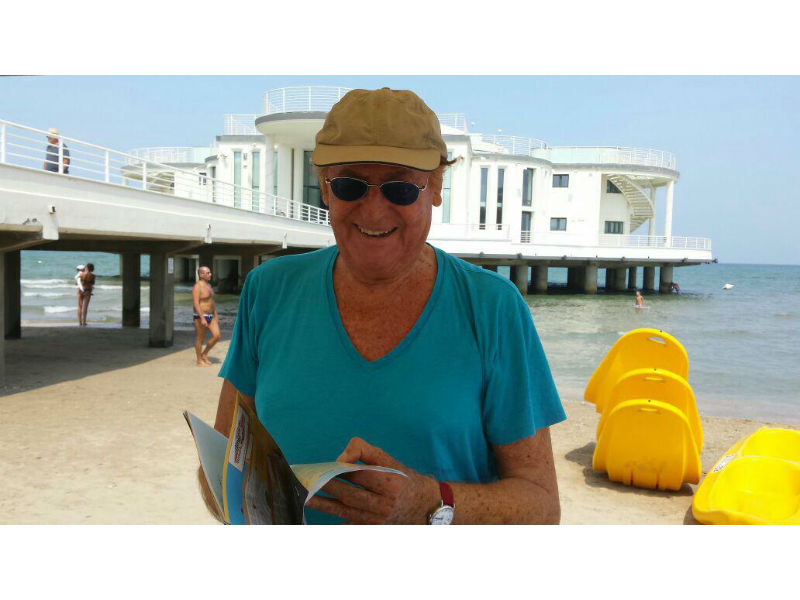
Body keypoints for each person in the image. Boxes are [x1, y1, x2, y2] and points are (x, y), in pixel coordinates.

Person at [212, 88, 566, 525]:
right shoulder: (268, 291)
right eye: (350, 185)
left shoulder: (493, 307)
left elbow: (542, 505)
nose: (374, 211)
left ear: (435, 187)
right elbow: (224, 462)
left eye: (400, 188)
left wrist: (430, 502)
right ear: (325, 188)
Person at [192, 265, 220, 366]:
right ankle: (199, 360)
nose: (210, 274)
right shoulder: (197, 286)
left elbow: (211, 301)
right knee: (200, 337)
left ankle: (204, 354)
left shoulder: (208, 285)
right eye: (207, 273)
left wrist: (216, 315)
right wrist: (202, 318)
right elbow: (196, 304)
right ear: (201, 274)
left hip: (211, 315)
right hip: (200, 316)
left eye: (209, 272)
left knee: (217, 335)